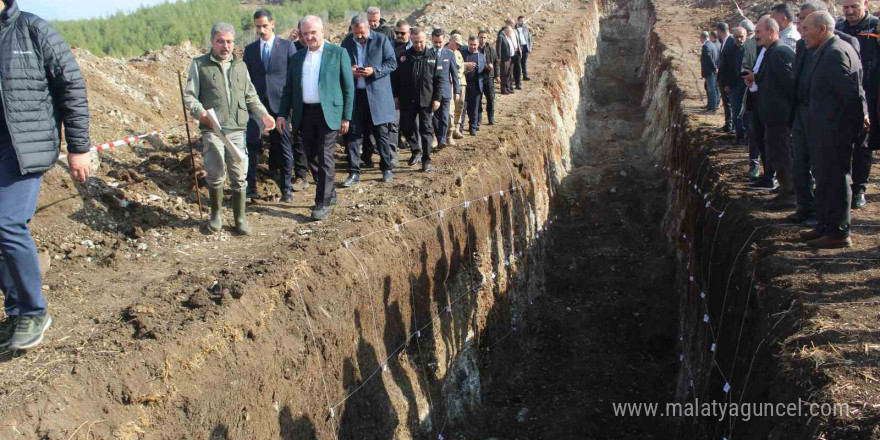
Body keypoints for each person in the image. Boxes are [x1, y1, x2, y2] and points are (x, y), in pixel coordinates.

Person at [0, 0, 92, 350]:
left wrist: (78, 146)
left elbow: (71, 84)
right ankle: (18, 313)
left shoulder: (33, 29)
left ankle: (33, 312)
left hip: (24, 146)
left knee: (7, 223)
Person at [185, 22, 274, 235]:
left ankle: (239, 217)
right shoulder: (199, 65)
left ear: (234, 43)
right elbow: (190, 95)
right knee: (215, 172)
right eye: (220, 41)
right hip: (213, 128)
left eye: (229, 41)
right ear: (212, 42)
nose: (225, 46)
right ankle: (216, 215)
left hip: (237, 128)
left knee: (239, 173)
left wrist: (264, 114)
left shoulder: (240, 66)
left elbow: (250, 95)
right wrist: (200, 113)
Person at [799, 11, 868, 248]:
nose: (802, 33)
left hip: (836, 132)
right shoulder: (826, 50)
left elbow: (851, 97)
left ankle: (839, 233)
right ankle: (826, 226)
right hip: (825, 131)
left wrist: (854, 130)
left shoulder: (835, 53)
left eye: (806, 28)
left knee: (837, 180)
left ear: (822, 29)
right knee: (825, 180)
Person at [277, 16, 354, 221]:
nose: (309, 37)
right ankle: (330, 192)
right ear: (300, 35)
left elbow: (348, 87)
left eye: (313, 32)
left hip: (329, 113)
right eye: (305, 33)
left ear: (322, 31)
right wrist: (282, 114)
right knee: (311, 156)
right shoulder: (297, 58)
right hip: (305, 114)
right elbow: (288, 89)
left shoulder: (338, 53)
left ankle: (322, 203)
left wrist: (346, 116)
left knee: (326, 156)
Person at [242, 9, 299, 203]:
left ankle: (287, 188)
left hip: (280, 106)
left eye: (264, 25)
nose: (261, 30)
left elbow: (294, 77)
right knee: (251, 142)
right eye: (258, 26)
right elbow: (245, 80)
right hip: (256, 106)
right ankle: (250, 187)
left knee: (283, 145)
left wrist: (291, 105)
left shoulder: (287, 46)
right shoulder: (249, 51)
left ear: (272, 24)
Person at [745, 16, 796, 209]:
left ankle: (790, 195)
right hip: (772, 116)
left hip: (779, 117)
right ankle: (784, 190)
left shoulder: (780, 53)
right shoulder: (771, 52)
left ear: (771, 32)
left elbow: (789, 85)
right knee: (775, 153)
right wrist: (755, 77)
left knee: (782, 154)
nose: (755, 36)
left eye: (758, 32)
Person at [340, 15, 397, 185]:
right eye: (355, 33)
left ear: (369, 28)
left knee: (381, 134)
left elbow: (392, 63)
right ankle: (353, 172)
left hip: (377, 95)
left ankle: (386, 168)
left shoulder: (381, 40)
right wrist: (350, 70)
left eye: (362, 33)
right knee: (353, 135)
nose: (359, 36)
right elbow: (341, 65)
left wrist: (375, 70)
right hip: (356, 96)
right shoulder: (347, 42)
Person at [836, 0, 879, 209]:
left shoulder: (875, 27)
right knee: (842, 141)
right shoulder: (838, 28)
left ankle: (860, 188)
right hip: (843, 94)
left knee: (864, 143)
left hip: (870, 93)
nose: (850, 11)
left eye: (854, 6)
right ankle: (843, 186)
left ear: (865, 4)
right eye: (846, 8)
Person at [395, 27, 442, 172]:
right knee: (405, 127)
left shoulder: (433, 57)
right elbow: (396, 78)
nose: (418, 45)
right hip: (407, 100)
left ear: (425, 40)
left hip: (426, 100)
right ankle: (416, 150)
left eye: (421, 42)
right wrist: (396, 96)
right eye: (415, 42)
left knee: (426, 131)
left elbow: (439, 80)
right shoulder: (404, 57)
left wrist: (437, 99)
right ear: (411, 40)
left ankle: (426, 160)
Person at [427, 29, 460, 157]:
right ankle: (437, 136)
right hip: (431, 91)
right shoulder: (427, 53)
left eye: (440, 42)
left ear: (444, 40)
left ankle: (441, 140)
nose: (438, 44)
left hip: (446, 90)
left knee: (445, 116)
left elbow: (454, 74)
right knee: (434, 116)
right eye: (435, 42)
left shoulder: (449, 54)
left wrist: (457, 90)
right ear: (432, 40)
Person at [720, 26, 747, 143]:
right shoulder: (729, 51)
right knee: (736, 111)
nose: (739, 39)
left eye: (741, 37)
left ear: (745, 37)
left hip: (747, 86)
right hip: (734, 86)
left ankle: (746, 135)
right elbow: (725, 68)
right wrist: (725, 84)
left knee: (747, 112)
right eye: (736, 37)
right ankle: (739, 134)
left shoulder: (750, 51)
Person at [461, 36, 489, 135]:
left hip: (476, 85)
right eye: (471, 44)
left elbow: (484, 70)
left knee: (474, 108)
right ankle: (460, 129)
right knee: (462, 109)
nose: (473, 47)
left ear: (478, 45)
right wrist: (466, 65)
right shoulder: (462, 53)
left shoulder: (481, 56)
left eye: (475, 45)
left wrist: (488, 69)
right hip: (464, 85)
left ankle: (472, 128)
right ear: (468, 43)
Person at [447, 34, 468, 142]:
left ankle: (456, 128)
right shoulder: (446, 52)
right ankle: (449, 132)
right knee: (450, 108)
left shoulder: (458, 53)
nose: (458, 46)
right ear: (451, 41)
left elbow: (461, 68)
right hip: (450, 84)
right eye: (457, 44)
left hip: (461, 82)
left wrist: (468, 67)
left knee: (459, 106)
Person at [715, 22, 734, 132]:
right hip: (723, 79)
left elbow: (731, 65)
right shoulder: (724, 42)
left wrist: (728, 83)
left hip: (727, 80)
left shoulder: (731, 42)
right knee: (726, 103)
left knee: (729, 103)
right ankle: (728, 123)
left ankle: (730, 125)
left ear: (719, 30)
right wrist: (718, 79)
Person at [478, 29, 499, 126]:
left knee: (490, 98)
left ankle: (491, 118)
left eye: (484, 37)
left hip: (489, 77)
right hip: (477, 78)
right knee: (478, 99)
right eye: (481, 37)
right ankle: (478, 120)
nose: (482, 39)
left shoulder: (490, 49)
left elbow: (496, 62)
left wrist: (497, 75)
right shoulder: (475, 49)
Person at [700, 31, 719, 111]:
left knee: (711, 89)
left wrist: (714, 68)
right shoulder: (712, 44)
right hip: (712, 71)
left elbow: (709, 59)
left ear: (702, 38)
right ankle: (711, 105)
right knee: (711, 88)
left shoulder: (706, 46)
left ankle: (713, 106)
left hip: (710, 71)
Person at [498, 26, 518, 95]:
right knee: (504, 74)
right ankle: (503, 89)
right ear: (506, 30)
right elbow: (498, 48)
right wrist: (499, 58)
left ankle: (508, 87)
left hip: (510, 58)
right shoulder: (501, 36)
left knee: (509, 74)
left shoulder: (508, 36)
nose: (511, 33)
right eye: (510, 31)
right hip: (504, 59)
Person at [516, 15, 533, 81]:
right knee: (518, 63)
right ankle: (517, 77)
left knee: (524, 62)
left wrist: (530, 47)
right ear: (518, 21)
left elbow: (529, 38)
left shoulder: (526, 28)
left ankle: (525, 76)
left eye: (523, 21)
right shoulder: (515, 28)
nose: (522, 22)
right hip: (518, 48)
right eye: (521, 21)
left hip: (525, 47)